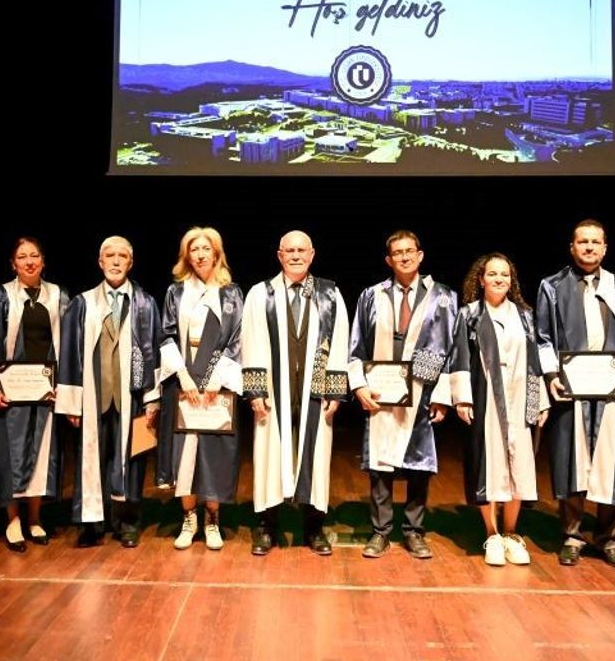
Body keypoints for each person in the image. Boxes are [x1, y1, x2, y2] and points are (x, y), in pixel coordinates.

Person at [535, 220, 615, 570]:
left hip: (614, 392)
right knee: (573, 461)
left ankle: (608, 538)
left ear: (605, 248)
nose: (588, 247)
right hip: (572, 389)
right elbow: (543, 336)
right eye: (582, 242)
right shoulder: (552, 287)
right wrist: (552, 375)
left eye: (595, 242)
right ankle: (572, 535)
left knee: (611, 465)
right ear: (571, 248)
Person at [348, 230, 457, 560]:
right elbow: (356, 346)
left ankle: (413, 531)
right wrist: (359, 385)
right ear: (388, 260)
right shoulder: (371, 295)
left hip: (422, 391)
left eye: (410, 251)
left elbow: (452, 350)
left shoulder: (443, 297)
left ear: (421, 255)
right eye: (398, 253)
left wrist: (442, 395)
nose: (405, 257)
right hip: (382, 389)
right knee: (381, 465)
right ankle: (380, 531)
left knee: (419, 465)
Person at [241, 230, 350, 556]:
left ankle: (314, 527)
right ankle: (266, 526)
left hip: (315, 391)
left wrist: (334, 390)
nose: (296, 255)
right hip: (274, 390)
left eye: (302, 250)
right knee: (268, 453)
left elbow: (341, 341)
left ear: (313, 254)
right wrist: (256, 389)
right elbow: (251, 341)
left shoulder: (330, 294)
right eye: (289, 250)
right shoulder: (261, 294)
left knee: (315, 455)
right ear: (279, 255)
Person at [56, 236, 163, 549]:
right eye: (109, 256)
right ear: (100, 262)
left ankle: (127, 521)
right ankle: (92, 523)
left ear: (130, 263)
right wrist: (72, 403)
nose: (116, 261)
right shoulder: (83, 303)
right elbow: (70, 355)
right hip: (94, 396)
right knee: (92, 460)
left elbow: (154, 351)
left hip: (130, 396)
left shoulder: (144, 303)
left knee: (131, 460)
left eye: (122, 256)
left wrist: (152, 396)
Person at [448, 253, 549, 567]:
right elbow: (459, 357)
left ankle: (511, 533)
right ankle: (491, 533)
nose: (498, 279)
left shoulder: (525, 316)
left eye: (504, 274)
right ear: (481, 279)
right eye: (492, 274)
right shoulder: (469, 315)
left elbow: (535, 360)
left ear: (511, 279)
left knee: (520, 466)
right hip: (486, 398)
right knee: (488, 464)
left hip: (519, 398)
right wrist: (462, 398)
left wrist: (540, 399)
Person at [156, 227, 245, 551]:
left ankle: (212, 519)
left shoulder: (232, 293)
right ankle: (189, 517)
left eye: (206, 248)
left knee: (214, 453)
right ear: (186, 255)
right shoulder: (176, 292)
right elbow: (165, 335)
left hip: (216, 387)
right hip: (185, 386)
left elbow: (237, 340)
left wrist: (214, 380)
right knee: (185, 454)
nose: (201, 254)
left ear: (217, 253)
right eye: (194, 249)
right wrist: (184, 377)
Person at [0, 238, 69, 552]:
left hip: (46, 390)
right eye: (22, 257)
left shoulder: (58, 295)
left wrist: (65, 384)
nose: (29, 262)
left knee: (42, 452)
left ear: (43, 261)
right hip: (11, 391)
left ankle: (34, 516)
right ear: (13, 263)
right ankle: (12, 519)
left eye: (35, 256)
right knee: (11, 453)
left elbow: (68, 344)